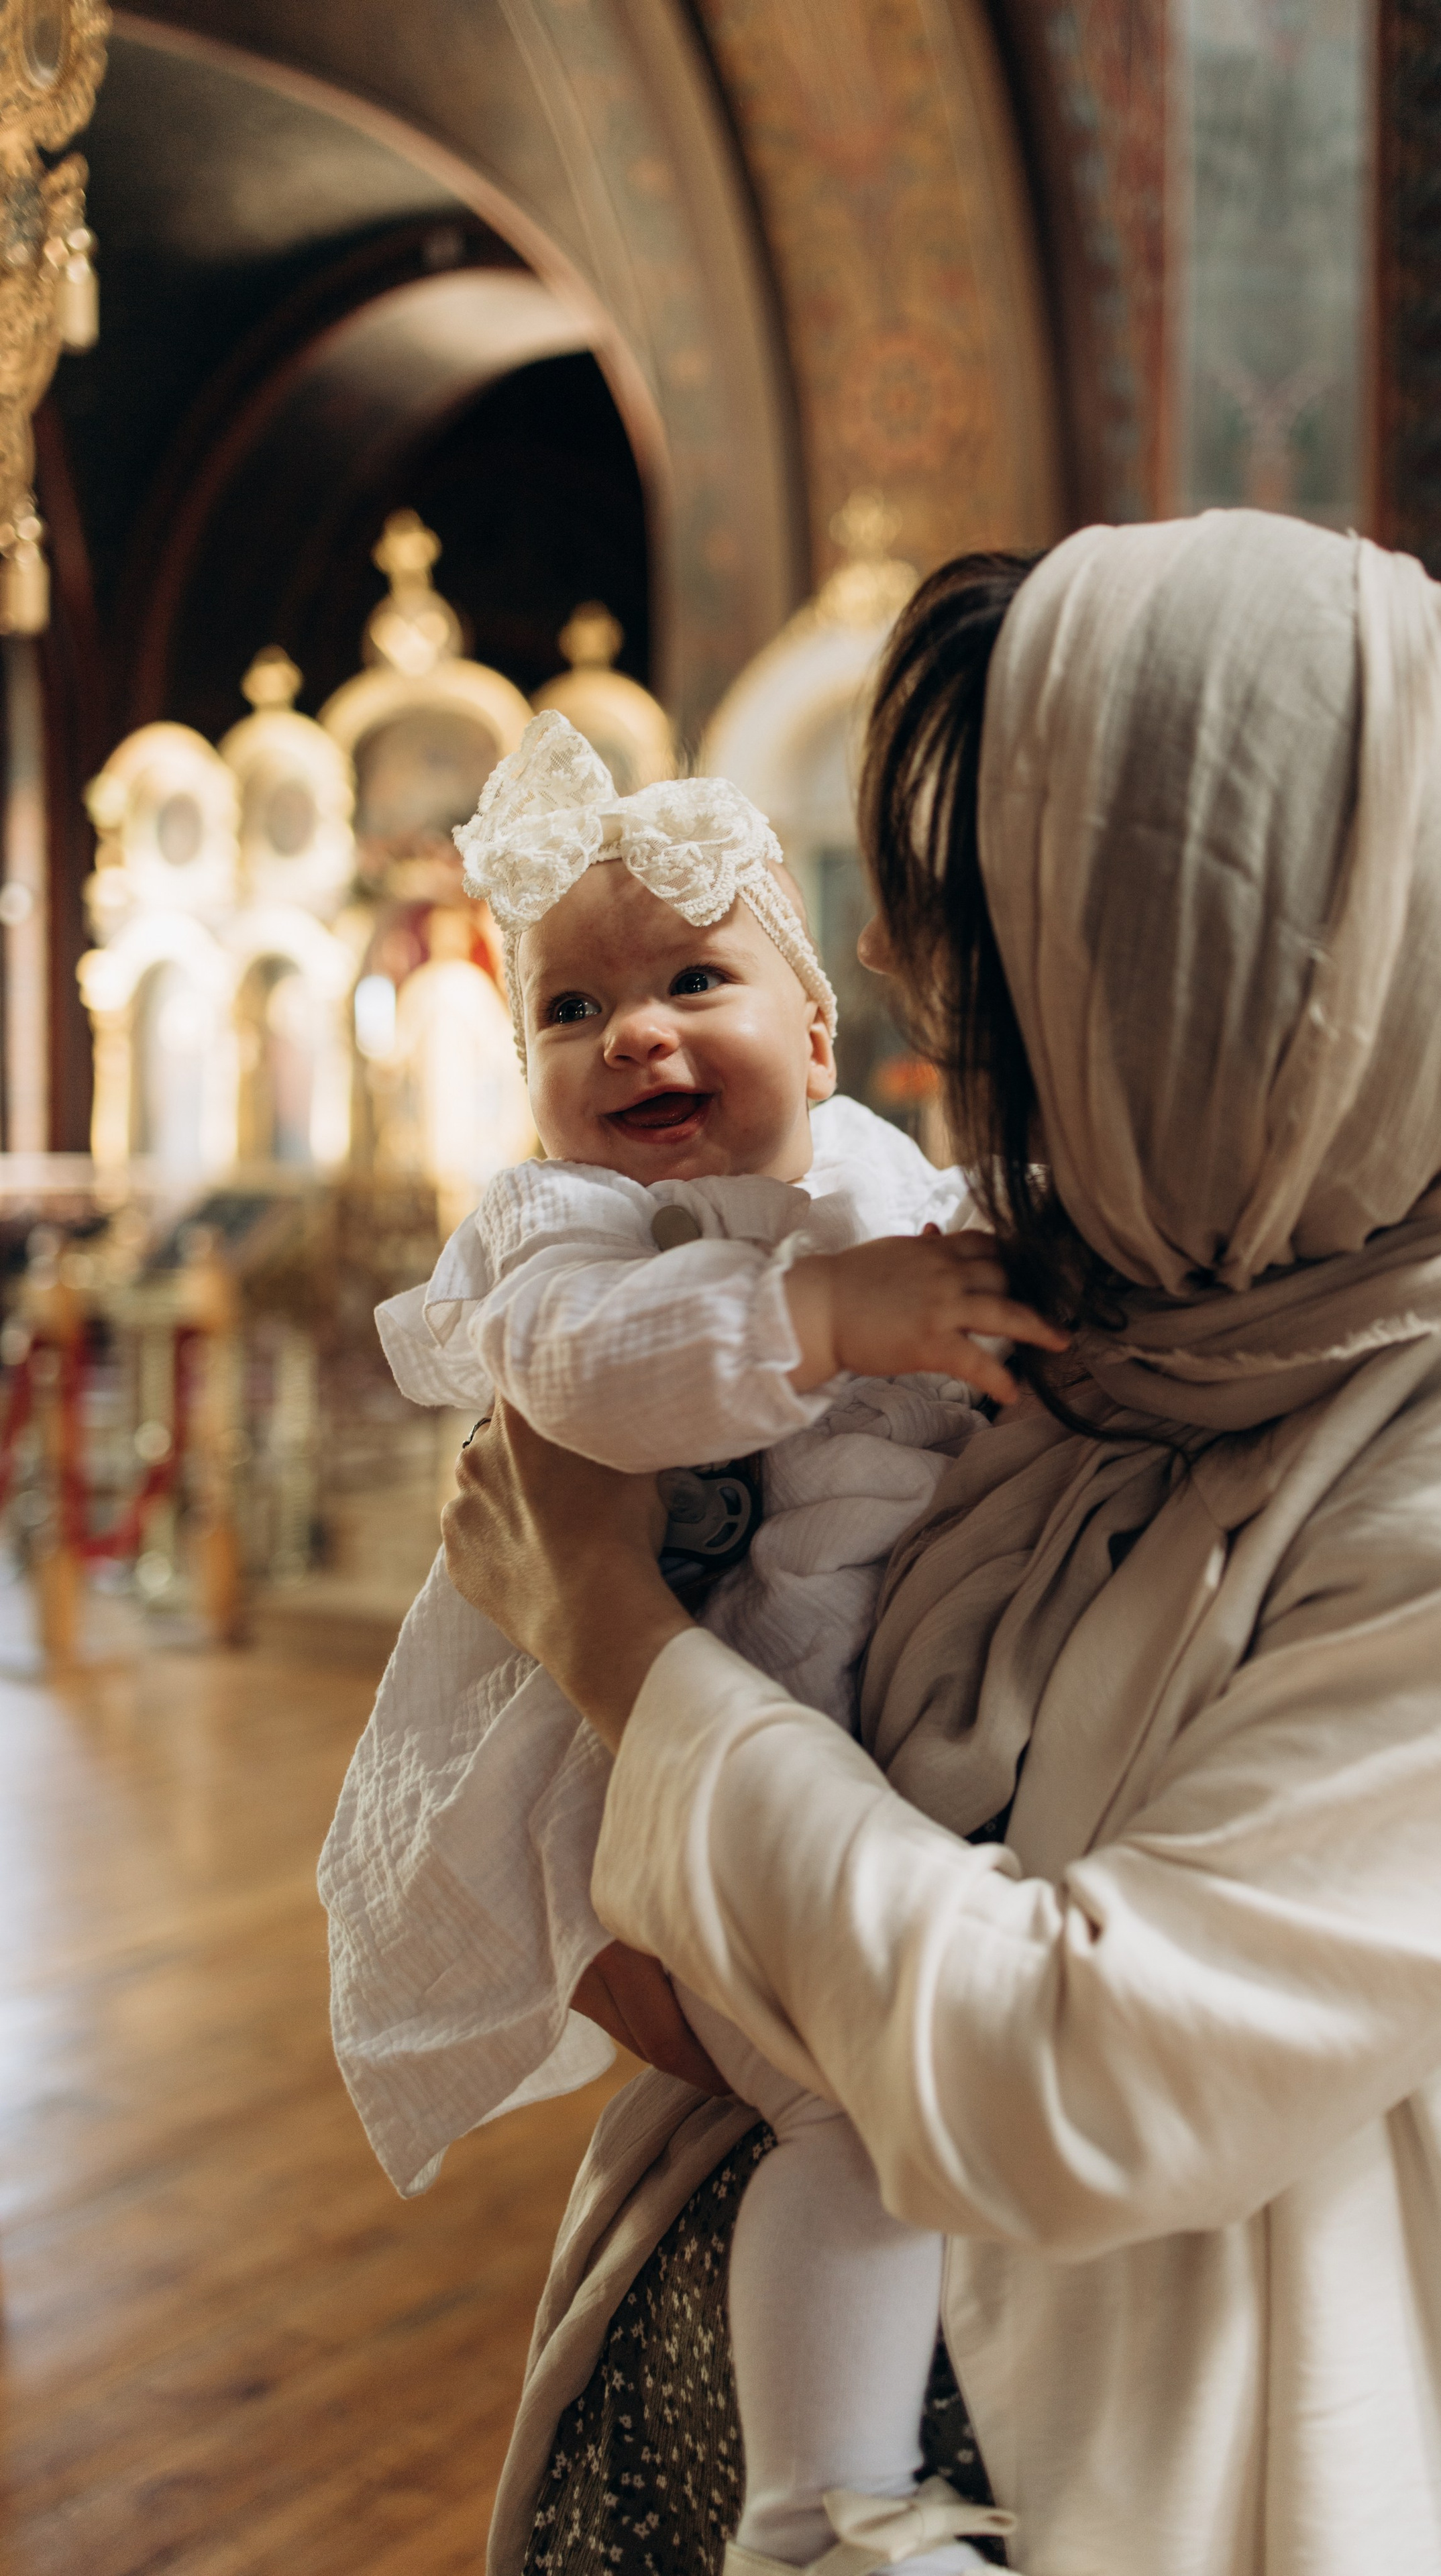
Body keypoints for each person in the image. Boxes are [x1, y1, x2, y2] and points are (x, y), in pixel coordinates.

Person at [445, 513, 1441, 2576]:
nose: (896, 979)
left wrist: (612, 1640)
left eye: (994, 930)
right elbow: (817, 1922)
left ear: (1239, 971)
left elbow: (1071, 2071)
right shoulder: (1143, 1289)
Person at [319, 710, 1052, 2574]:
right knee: (859, 2108)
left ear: (819, 1034)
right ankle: (822, 2508)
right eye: (571, 1014)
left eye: (695, 980)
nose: (635, 1034)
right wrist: (824, 1319)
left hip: (820, 1720)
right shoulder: (572, 1242)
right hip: (631, 1767)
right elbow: (599, 1385)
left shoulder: (884, 1182)